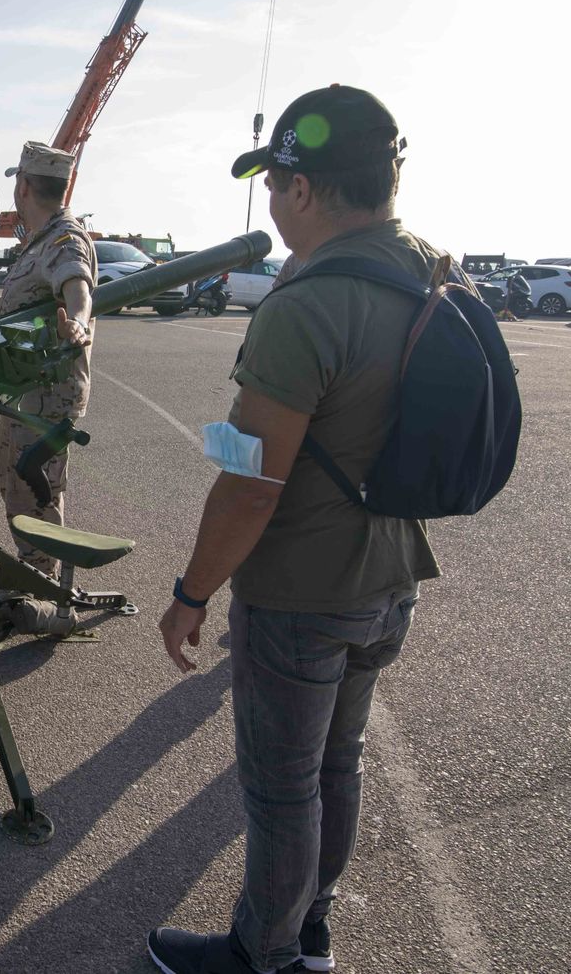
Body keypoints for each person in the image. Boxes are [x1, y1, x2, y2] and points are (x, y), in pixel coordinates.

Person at [145, 85, 445, 974]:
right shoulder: (429, 264)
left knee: (281, 790)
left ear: (304, 189)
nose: (270, 205)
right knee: (335, 767)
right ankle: (310, 930)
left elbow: (249, 488)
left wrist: (190, 594)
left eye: (275, 186)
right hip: (391, 579)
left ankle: (260, 955)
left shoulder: (308, 307)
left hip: (302, 595)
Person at [0, 142, 94, 579]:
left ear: (23, 186)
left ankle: (45, 588)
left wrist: (79, 323)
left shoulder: (64, 239)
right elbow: (35, 307)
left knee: (35, 490)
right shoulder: (40, 242)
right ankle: (35, 575)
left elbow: (77, 288)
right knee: (15, 487)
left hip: (46, 397)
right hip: (24, 390)